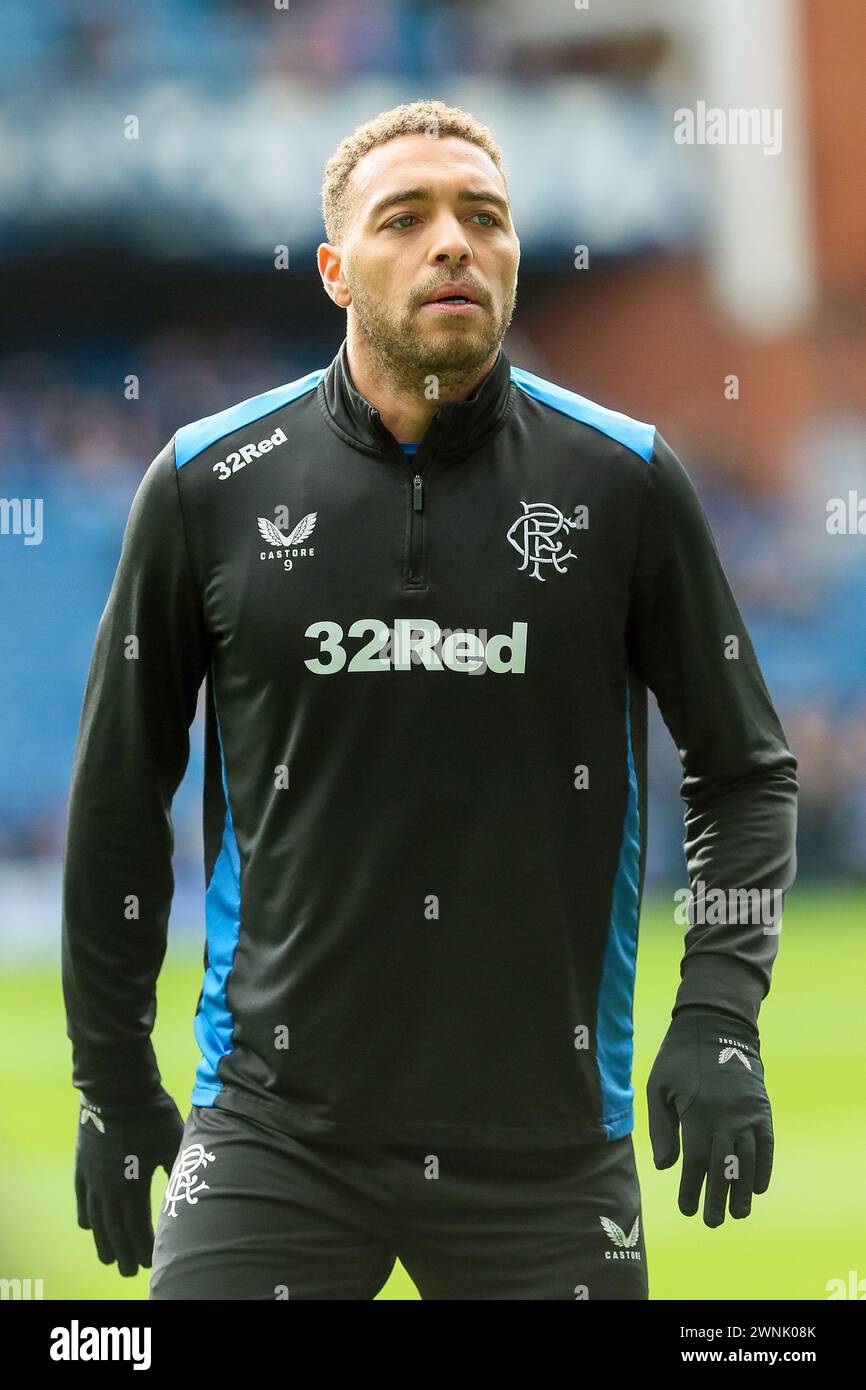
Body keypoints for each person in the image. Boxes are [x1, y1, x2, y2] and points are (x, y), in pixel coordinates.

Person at [62, 99, 798, 1301]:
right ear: (335, 271)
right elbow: (116, 796)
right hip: (273, 1133)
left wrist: (718, 1009)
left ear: (513, 256)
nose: (453, 241)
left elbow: (744, 768)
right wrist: (111, 1081)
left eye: (485, 218)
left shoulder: (622, 482)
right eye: (405, 218)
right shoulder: (205, 485)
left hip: (549, 1153)